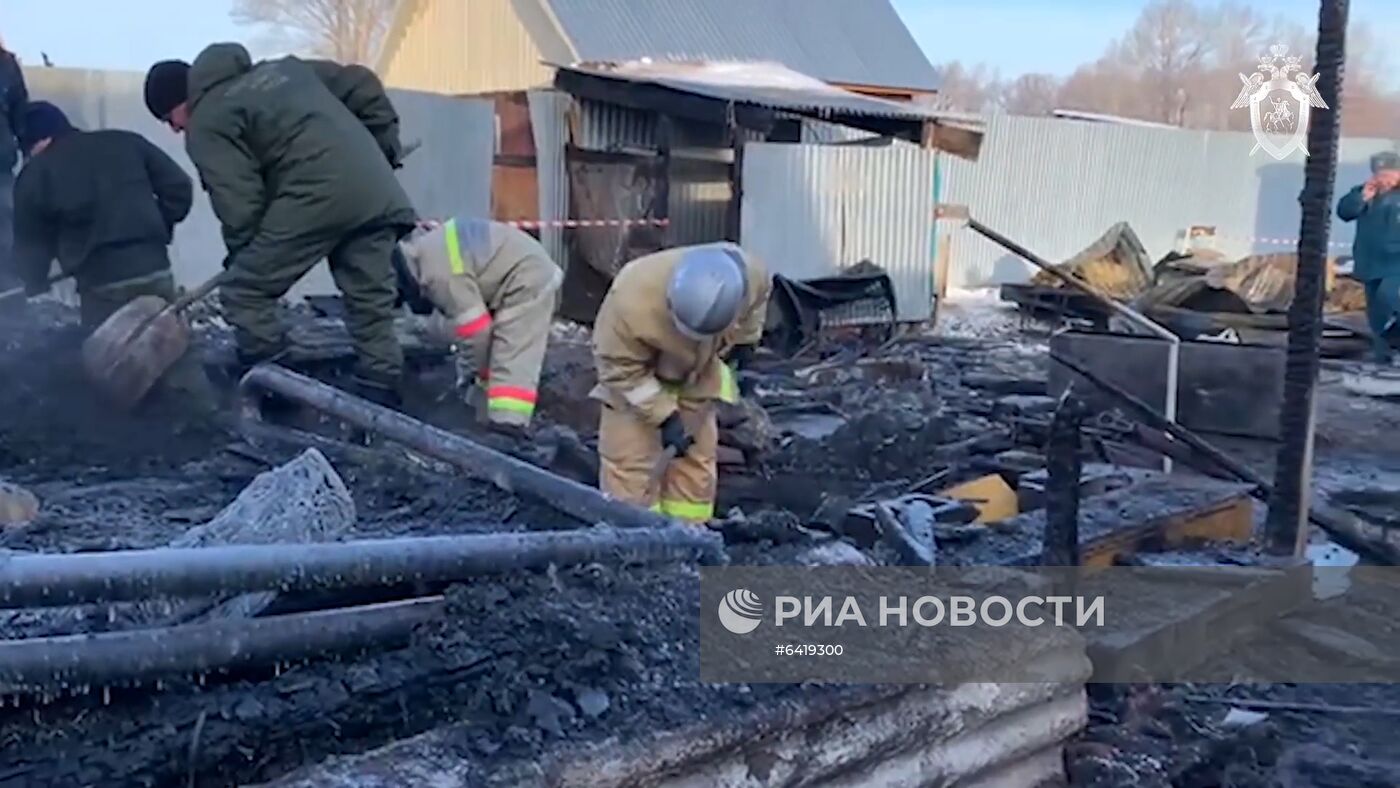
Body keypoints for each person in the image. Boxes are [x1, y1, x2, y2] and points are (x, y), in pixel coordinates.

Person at [142, 43, 416, 406]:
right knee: (369, 301)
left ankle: (278, 397)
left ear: (180, 101)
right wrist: (384, 148)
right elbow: (361, 83)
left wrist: (244, 256)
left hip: (316, 194)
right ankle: (382, 400)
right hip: (377, 190)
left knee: (244, 293)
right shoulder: (288, 70)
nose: (175, 130)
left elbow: (238, 199)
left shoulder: (207, 120)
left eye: (168, 119)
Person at [11, 100, 213, 405]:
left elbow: (31, 245)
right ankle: (197, 408)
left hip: (101, 285)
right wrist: (157, 225)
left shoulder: (35, 173)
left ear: (38, 140)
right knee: (167, 341)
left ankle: (127, 426)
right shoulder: (125, 141)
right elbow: (179, 187)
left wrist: (34, 279)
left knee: (111, 364)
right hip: (154, 269)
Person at [591, 243, 770, 523]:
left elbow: (757, 307)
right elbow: (619, 370)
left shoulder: (753, 275)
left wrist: (745, 345)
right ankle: (635, 546)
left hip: (698, 374)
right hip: (638, 380)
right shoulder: (630, 299)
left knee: (694, 466)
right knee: (631, 467)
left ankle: (689, 537)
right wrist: (665, 417)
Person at [394, 217, 562, 435]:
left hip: (526, 278)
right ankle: (488, 423)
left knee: (511, 360)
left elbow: (476, 332)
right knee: (488, 363)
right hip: (513, 268)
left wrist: (468, 374)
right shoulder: (428, 252)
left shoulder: (437, 278)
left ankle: (508, 431)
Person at [1338, 151, 1400, 364]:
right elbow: (1344, 212)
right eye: (1380, 174)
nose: (1384, 180)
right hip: (1370, 263)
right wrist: (1362, 196)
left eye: (1389, 175)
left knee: (1389, 298)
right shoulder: (1364, 194)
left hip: (1396, 263)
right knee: (1376, 317)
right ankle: (1383, 358)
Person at [0, 40, 28, 290]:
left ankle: (8, 311)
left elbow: (22, 116)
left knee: (5, 242)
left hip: (1, 171)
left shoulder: (6, 64)